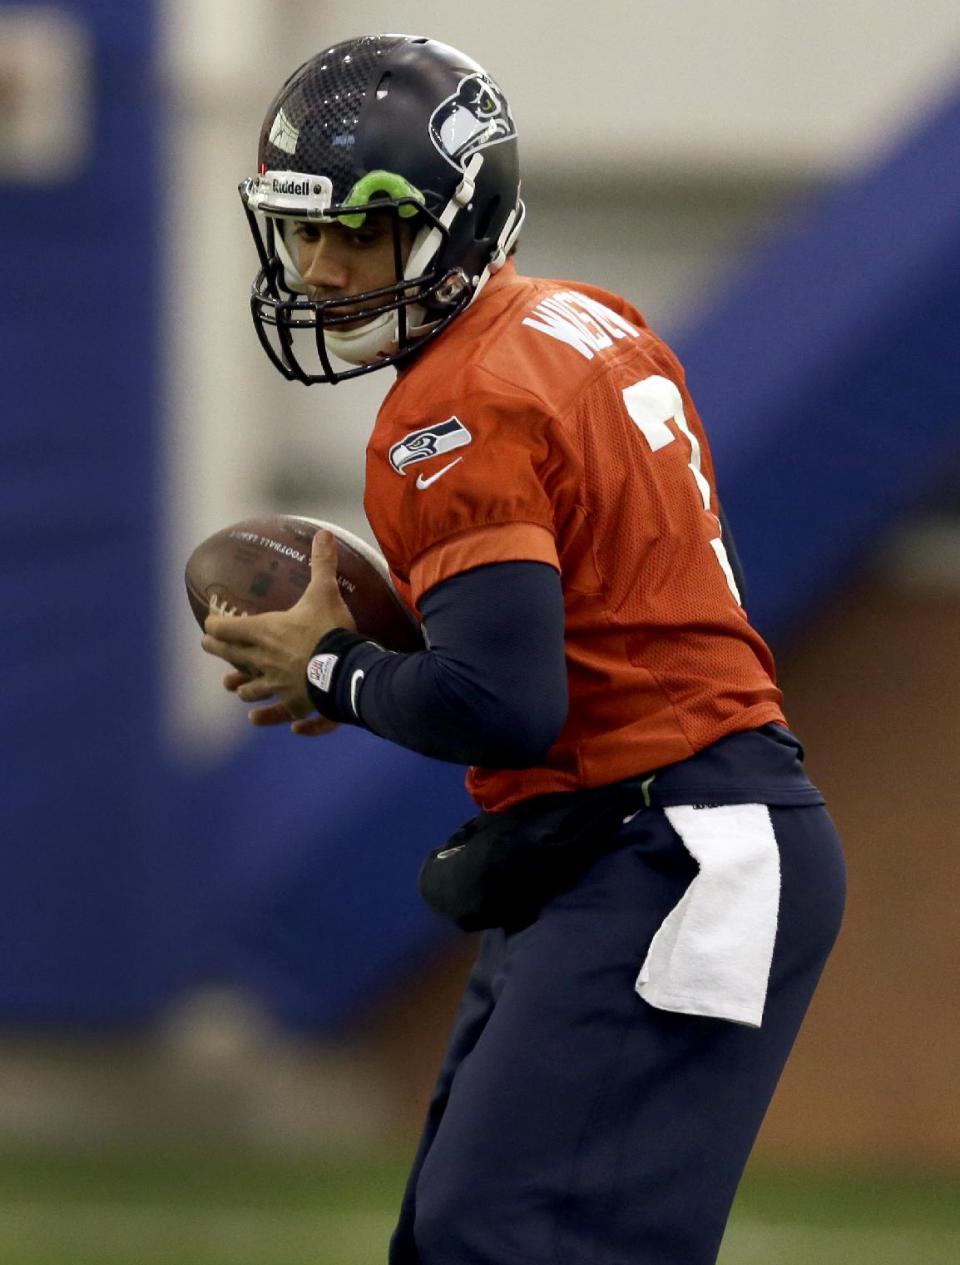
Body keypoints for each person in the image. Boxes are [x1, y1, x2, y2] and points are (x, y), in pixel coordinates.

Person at [202, 34, 846, 1265]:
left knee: (507, 1239)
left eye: (359, 232)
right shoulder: (586, 322)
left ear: (455, 220)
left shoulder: (450, 408)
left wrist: (330, 667)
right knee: (462, 1240)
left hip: (675, 847)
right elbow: (611, 630)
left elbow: (505, 701)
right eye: (306, 232)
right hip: (646, 828)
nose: (325, 268)